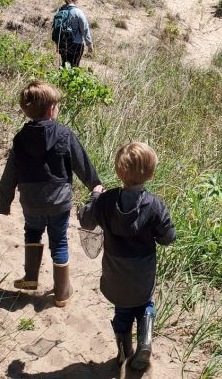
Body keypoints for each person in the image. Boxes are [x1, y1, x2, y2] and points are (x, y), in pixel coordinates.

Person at [0, 81, 103, 307]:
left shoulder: (20, 138)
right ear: (51, 109)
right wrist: (95, 184)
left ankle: (31, 278)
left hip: (31, 202)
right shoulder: (64, 134)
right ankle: (62, 291)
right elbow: (81, 162)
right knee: (59, 241)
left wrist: (3, 201)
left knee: (32, 233)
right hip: (59, 202)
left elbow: (10, 172)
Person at [78, 142, 176, 370]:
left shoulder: (106, 200)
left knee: (122, 310)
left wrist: (94, 196)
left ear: (119, 172)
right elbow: (168, 237)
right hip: (142, 270)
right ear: (151, 174)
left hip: (115, 270)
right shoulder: (155, 205)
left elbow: (86, 221)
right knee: (145, 305)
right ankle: (145, 342)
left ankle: (123, 353)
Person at [54, 0, 92, 67]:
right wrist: (89, 44)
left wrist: (57, 44)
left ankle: (61, 78)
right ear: (76, 0)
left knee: (64, 65)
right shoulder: (78, 12)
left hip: (62, 44)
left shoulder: (60, 11)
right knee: (74, 66)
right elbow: (84, 28)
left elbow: (56, 28)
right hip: (76, 44)